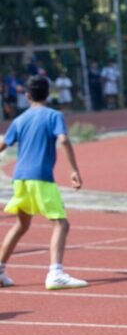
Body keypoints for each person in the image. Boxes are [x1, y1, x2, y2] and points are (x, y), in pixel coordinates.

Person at [0, 75, 86, 290]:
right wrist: (74, 169)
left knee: (22, 224)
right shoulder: (54, 115)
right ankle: (56, 272)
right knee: (60, 223)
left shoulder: (19, 120)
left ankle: (0, 270)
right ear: (49, 94)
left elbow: (3, 144)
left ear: (27, 96)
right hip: (40, 177)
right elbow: (64, 139)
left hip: (19, 178)